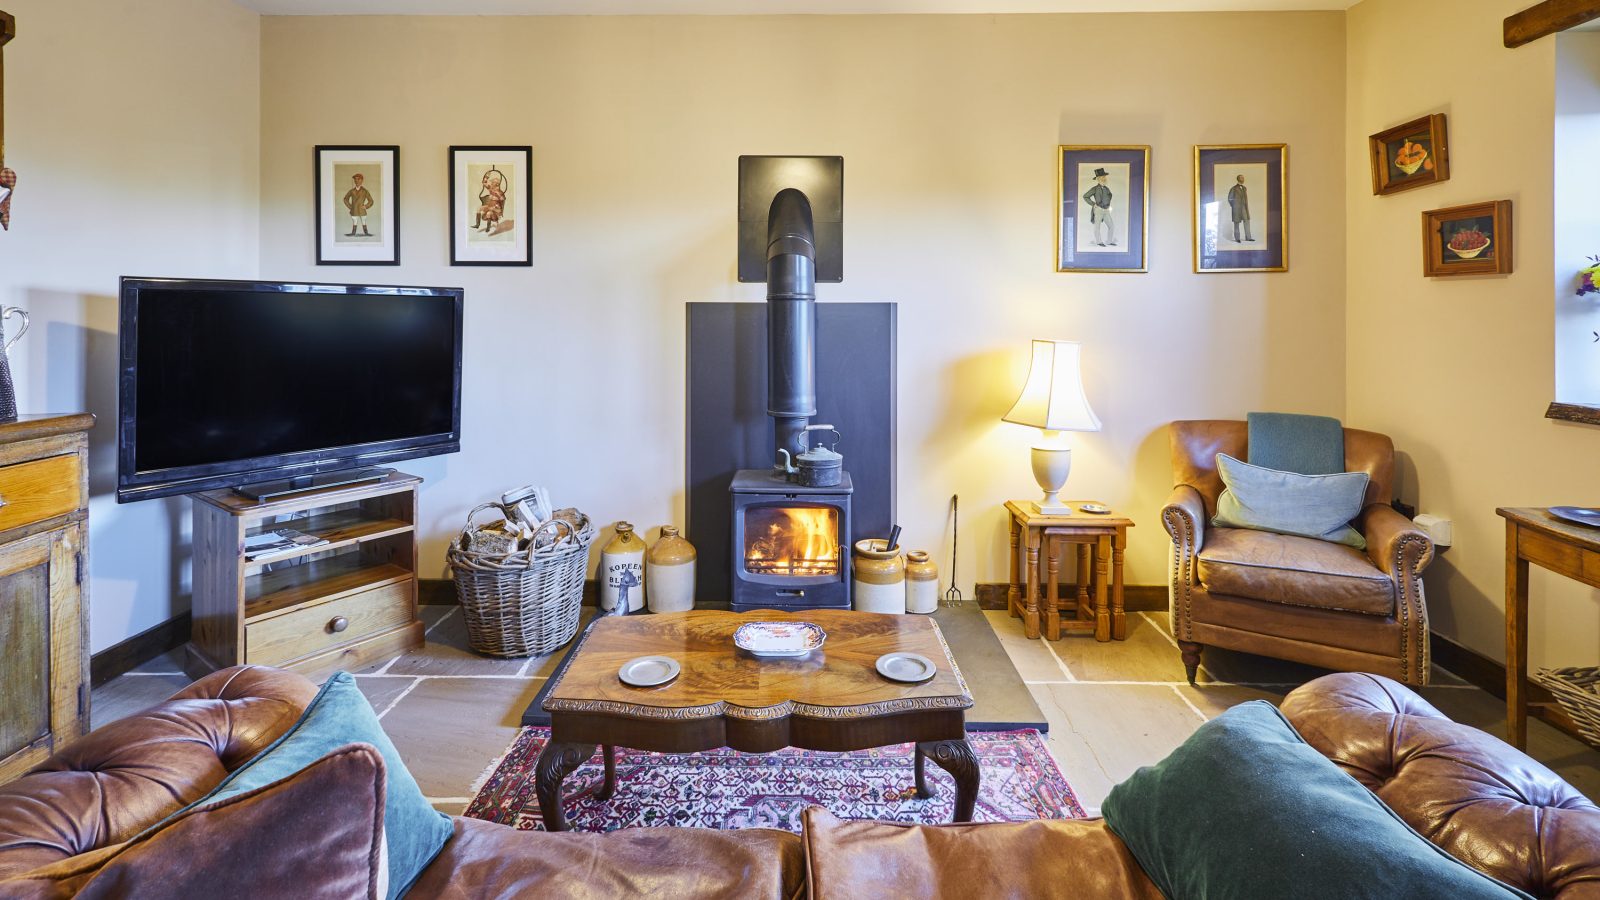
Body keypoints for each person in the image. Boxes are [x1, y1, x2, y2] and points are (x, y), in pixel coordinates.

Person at [1082, 167, 1115, 247]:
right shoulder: (1095, 189)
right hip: (1098, 210)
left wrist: (1107, 204)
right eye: (1102, 177)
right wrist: (1094, 204)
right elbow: (1085, 196)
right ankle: (1099, 242)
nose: (1104, 179)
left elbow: (1110, 195)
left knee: (1111, 226)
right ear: (1098, 179)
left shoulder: (1107, 189)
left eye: (1104, 177)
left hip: (1106, 210)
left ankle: (1109, 241)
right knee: (1097, 226)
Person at [475, 168, 507, 235]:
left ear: (497, 184)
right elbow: (484, 183)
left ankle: (488, 228)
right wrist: (487, 176)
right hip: (489, 207)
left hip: (495, 211)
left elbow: (500, 208)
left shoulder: (500, 193)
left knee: (489, 213)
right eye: (492, 182)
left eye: (493, 182)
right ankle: (477, 225)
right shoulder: (491, 189)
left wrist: (495, 208)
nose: (491, 183)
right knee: (479, 208)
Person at [343, 173, 374, 237]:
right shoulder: (352, 191)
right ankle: (353, 233)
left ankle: (366, 233)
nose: (356, 181)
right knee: (354, 221)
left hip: (362, 210)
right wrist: (350, 207)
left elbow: (371, 201)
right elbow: (345, 199)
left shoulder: (365, 191)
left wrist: (366, 206)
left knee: (363, 221)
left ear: (362, 180)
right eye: (355, 179)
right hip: (354, 210)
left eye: (358, 179)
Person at [1227, 174, 1254, 243]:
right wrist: (1234, 206)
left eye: (1243, 178)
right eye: (1242, 178)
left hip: (1244, 208)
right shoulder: (1233, 188)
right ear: (1238, 179)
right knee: (1236, 223)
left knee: (1247, 221)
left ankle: (1248, 237)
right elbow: (1230, 199)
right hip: (1236, 209)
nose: (1243, 179)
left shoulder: (1244, 188)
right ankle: (1237, 238)